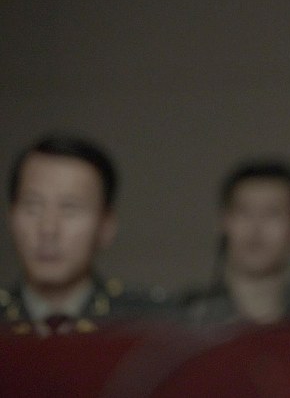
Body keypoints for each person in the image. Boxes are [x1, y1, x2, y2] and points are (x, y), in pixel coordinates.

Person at [1, 134, 167, 337]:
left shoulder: (150, 325)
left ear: (106, 226)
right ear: (11, 217)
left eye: (70, 209)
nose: (48, 229)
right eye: (32, 206)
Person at [179, 160, 290, 328]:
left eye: (273, 212)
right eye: (243, 211)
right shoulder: (183, 319)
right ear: (223, 222)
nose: (255, 227)